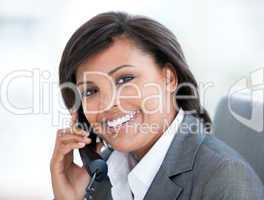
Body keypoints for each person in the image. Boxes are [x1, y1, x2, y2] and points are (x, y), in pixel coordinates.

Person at [50, 11, 264, 200]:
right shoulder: (103, 172)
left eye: (125, 79)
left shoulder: (224, 179)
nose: (108, 104)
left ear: (169, 78)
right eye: (90, 91)